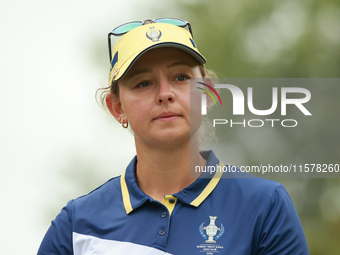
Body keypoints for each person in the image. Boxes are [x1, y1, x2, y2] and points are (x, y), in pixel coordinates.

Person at [37, 18, 309, 255]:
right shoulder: (76, 223)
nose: (165, 93)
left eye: (180, 77)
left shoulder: (264, 205)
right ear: (118, 108)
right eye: (144, 83)